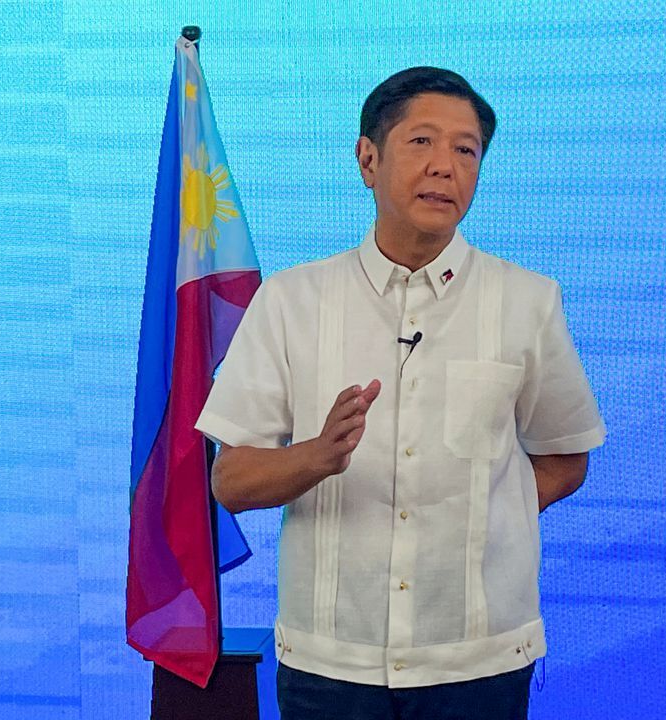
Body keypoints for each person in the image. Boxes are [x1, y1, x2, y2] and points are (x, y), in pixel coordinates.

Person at [195, 66, 606, 720]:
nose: (445, 166)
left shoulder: (527, 302)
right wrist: (317, 456)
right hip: (330, 664)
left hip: (480, 661)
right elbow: (233, 481)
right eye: (422, 142)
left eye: (466, 150)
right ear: (368, 159)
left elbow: (565, 456)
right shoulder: (292, 301)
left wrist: (481, 515)